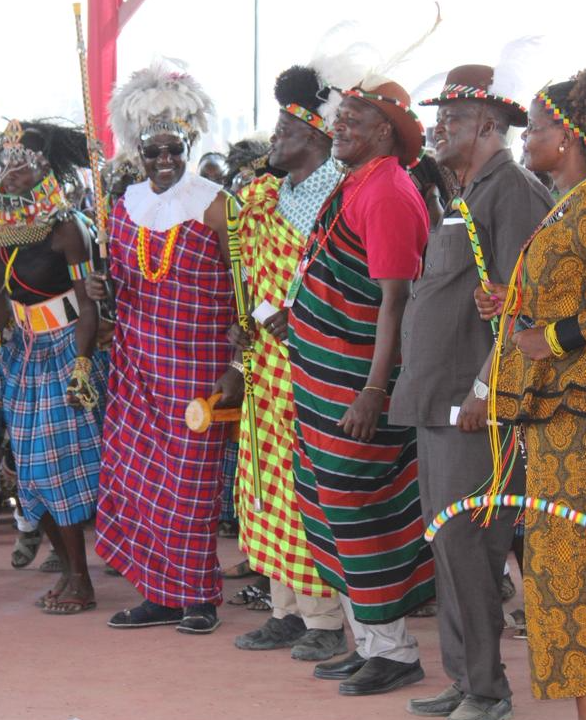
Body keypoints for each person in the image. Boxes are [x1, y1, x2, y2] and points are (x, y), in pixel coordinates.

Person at [479, 67, 586, 719]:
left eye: (538, 125)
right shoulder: (573, 203)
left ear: (572, 134)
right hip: (567, 426)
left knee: (576, 600)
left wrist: (551, 338)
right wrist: (515, 301)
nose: (527, 137)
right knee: (565, 600)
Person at [394, 62, 551, 720]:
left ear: (490, 125)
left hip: (475, 408)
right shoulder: (466, 191)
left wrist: (490, 390)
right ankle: (464, 681)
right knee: (448, 545)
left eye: (452, 119)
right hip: (440, 403)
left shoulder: (510, 192)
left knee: (472, 546)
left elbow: (526, 308)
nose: (437, 129)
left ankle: (487, 692)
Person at [286, 72, 434, 697]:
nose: (337, 127)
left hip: (356, 388)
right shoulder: (355, 183)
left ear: (385, 132)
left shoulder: (390, 193)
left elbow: (395, 303)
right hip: (324, 382)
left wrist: (375, 391)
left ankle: (395, 650)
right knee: (329, 512)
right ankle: (369, 643)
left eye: (351, 119)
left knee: (362, 513)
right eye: (337, 116)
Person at [88, 61, 243, 635]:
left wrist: (236, 364)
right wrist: (99, 289)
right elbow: (122, 286)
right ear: (136, 152)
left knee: (190, 483)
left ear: (189, 144)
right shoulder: (122, 203)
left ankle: (198, 595)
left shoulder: (217, 203)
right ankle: (159, 593)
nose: (164, 162)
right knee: (137, 478)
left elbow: (246, 290)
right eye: (152, 152)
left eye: (173, 149)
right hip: (135, 364)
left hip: (197, 366)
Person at [228, 63, 354, 663]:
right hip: (265, 360)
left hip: (316, 361)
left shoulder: (340, 191)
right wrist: (251, 315)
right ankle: (284, 610)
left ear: (317, 135)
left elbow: (348, 282)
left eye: (284, 128)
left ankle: (325, 620)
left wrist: (297, 320)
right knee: (266, 482)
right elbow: (251, 272)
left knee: (307, 489)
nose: (273, 139)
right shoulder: (266, 196)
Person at [0, 119, 105, 615]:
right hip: (22, 353)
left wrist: (81, 365)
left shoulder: (67, 228)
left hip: (65, 351)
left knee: (58, 467)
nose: (11, 172)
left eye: (22, 163)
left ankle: (81, 578)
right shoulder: (0, 229)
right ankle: (69, 567)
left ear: (44, 170)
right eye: (6, 162)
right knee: (29, 473)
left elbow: (88, 305)